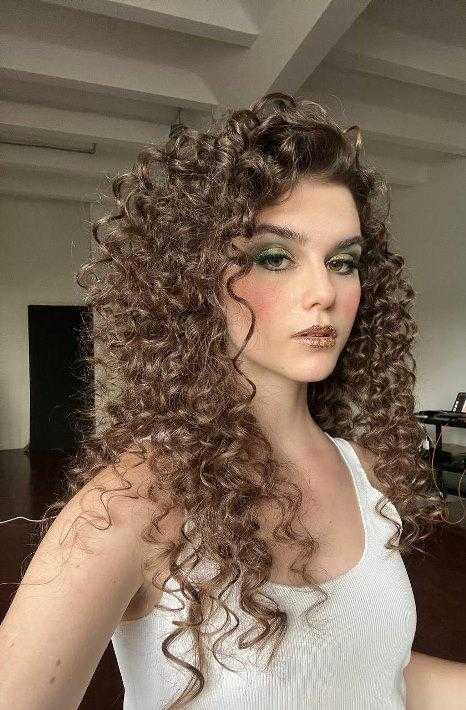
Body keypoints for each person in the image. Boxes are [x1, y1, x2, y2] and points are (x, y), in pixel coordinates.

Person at [0, 92, 462, 709]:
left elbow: (373, 674)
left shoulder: (365, 473)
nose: (323, 291)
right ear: (195, 280)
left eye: (343, 261)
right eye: (274, 257)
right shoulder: (137, 501)